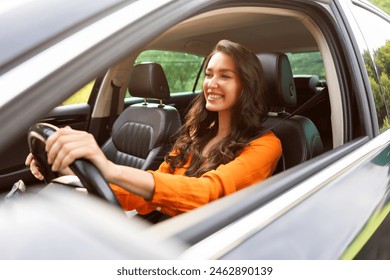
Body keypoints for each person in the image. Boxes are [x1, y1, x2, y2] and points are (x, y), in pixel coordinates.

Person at [26, 39, 282, 219]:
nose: (212, 84)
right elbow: (154, 189)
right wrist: (70, 171)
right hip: (158, 222)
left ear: (246, 86)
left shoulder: (266, 145)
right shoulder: (197, 133)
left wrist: (110, 169)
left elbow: (209, 194)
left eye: (225, 76)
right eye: (209, 74)